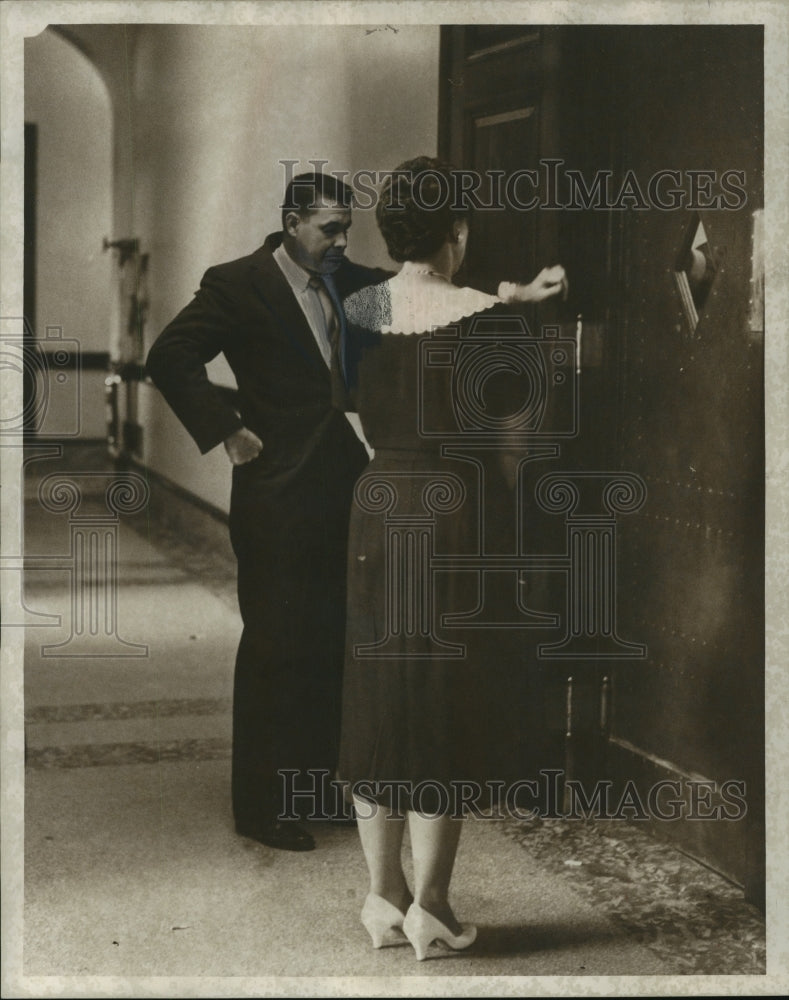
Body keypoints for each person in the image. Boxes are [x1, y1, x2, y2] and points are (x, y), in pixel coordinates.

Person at [336, 156, 567, 958]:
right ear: (457, 233)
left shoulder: (357, 309)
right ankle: (432, 905)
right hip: (456, 510)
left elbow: (362, 417)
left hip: (376, 502)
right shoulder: (491, 322)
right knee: (440, 692)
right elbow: (513, 448)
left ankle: (381, 897)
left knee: (376, 690)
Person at [145, 172, 390, 852]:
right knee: (276, 647)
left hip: (340, 489)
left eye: (347, 228)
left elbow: (414, 283)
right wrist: (225, 427)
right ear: (291, 223)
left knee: (328, 642)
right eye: (329, 229)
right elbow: (168, 356)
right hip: (276, 494)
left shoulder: (346, 276)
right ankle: (260, 805)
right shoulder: (237, 283)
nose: (341, 242)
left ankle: (312, 788)